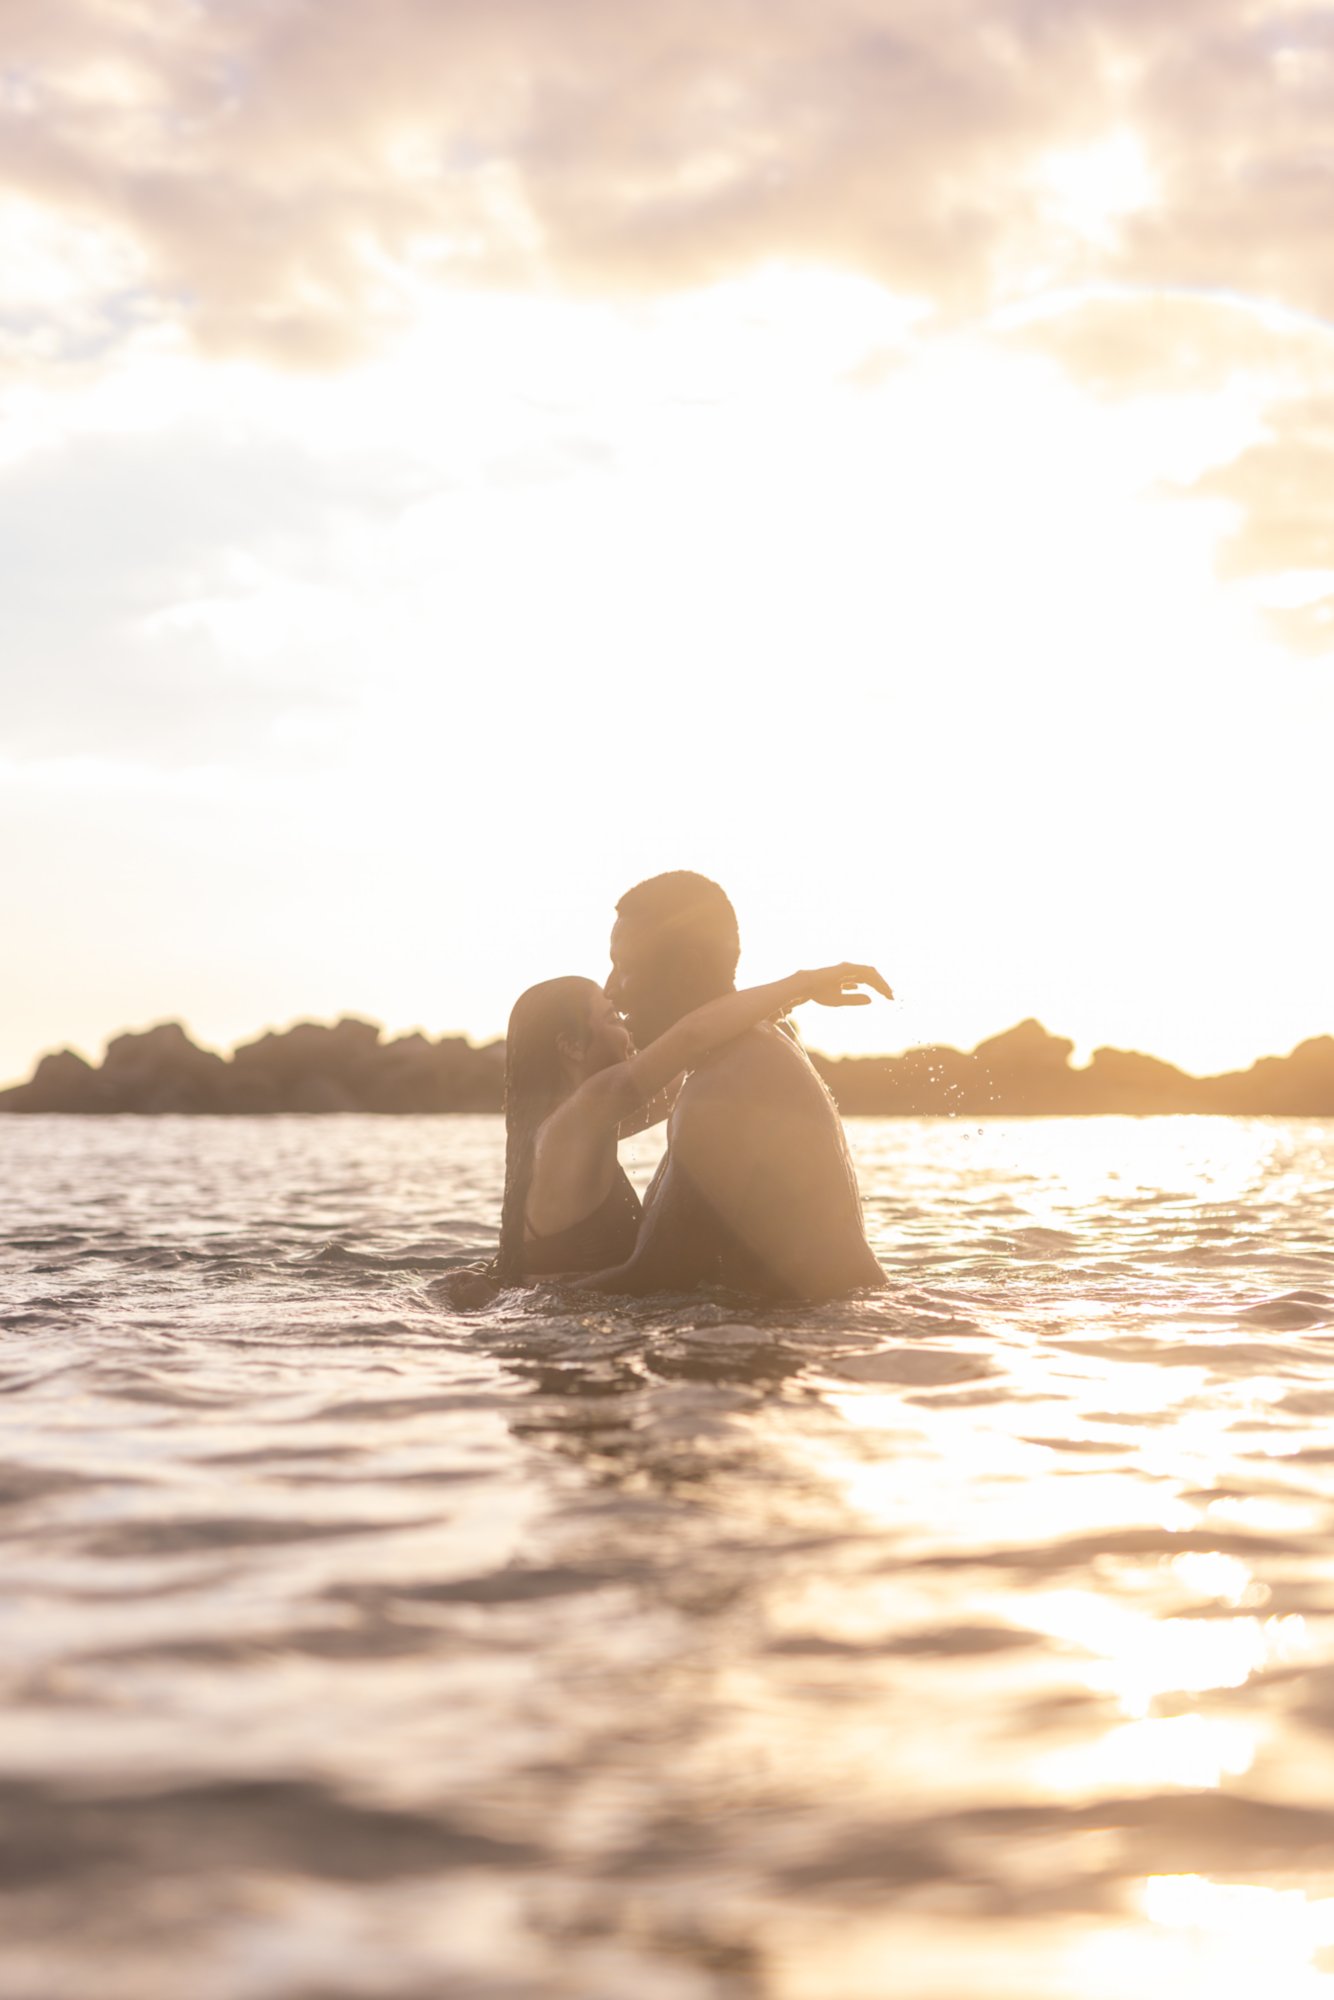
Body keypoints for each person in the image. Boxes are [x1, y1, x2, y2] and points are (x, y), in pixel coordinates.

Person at [579, 871, 890, 1301]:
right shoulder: (753, 1046)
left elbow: (658, 1278)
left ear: (685, 968)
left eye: (626, 968)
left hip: (796, 1336)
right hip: (816, 1329)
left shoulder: (727, 1085)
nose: (611, 989)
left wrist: (505, 1301)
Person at [496, 955, 891, 1286]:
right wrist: (802, 983)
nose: (627, 1029)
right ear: (571, 1045)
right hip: (564, 1340)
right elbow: (690, 1039)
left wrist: (773, 1012)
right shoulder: (579, 1117)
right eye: (612, 1018)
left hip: (565, 1332)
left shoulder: (574, 1127)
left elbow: (689, 1070)